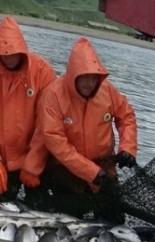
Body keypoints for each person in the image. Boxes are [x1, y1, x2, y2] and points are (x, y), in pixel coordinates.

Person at [24, 36, 137, 216]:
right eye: (84, 78)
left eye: (93, 78)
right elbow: (55, 142)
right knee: (68, 218)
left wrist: (128, 147)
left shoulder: (107, 91)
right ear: (73, 74)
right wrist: (91, 172)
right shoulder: (53, 95)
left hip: (104, 167)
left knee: (114, 219)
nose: (89, 83)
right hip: (66, 171)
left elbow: (126, 115)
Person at [0, 16, 57, 198]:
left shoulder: (43, 72)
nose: (8, 56)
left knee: (40, 206)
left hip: (38, 160)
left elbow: (48, 122)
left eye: (12, 51)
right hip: (3, 162)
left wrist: (34, 164)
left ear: (21, 48)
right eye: (2, 52)